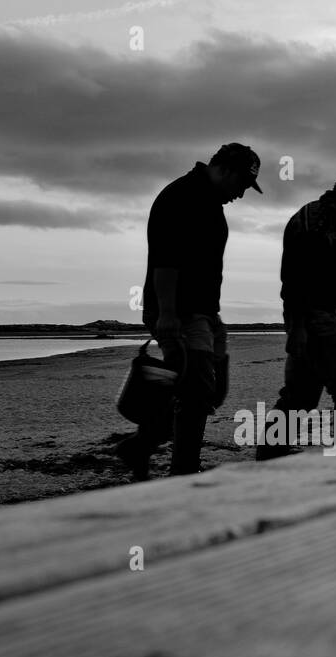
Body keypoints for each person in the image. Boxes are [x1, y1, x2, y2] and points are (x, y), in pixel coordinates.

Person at [115, 143, 261, 479]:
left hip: (205, 313)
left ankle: (140, 446)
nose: (241, 193)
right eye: (241, 184)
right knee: (196, 393)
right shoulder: (182, 196)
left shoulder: (210, 200)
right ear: (224, 169)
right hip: (180, 313)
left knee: (208, 390)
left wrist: (212, 315)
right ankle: (183, 470)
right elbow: (166, 261)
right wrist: (166, 313)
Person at [255, 171, 336, 461]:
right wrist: (298, 329)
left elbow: (318, 271)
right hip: (314, 318)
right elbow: (296, 280)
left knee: (299, 399)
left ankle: (267, 460)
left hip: (318, 318)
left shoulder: (329, 219)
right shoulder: (315, 221)